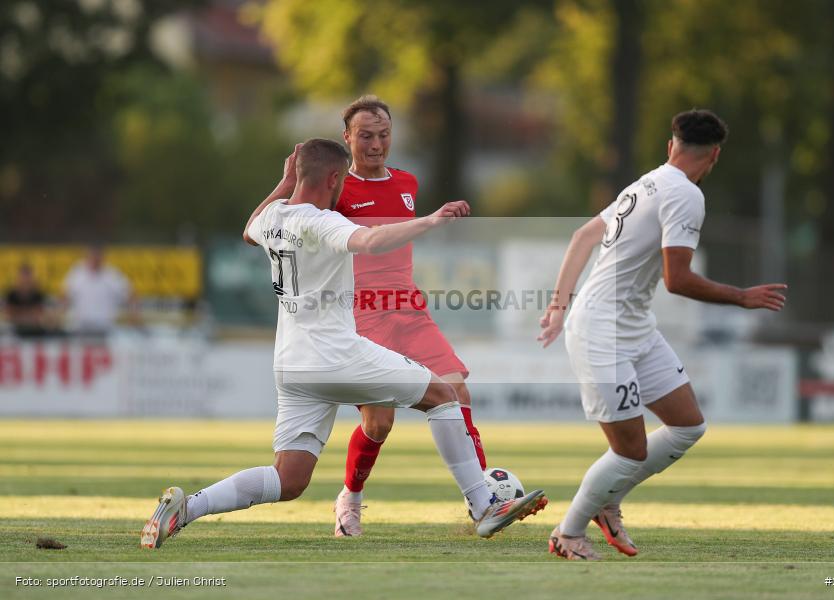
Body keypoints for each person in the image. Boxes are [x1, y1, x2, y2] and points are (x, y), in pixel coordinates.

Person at [140, 139, 546, 549]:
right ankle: (482, 505)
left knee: (289, 478)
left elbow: (249, 229)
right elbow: (370, 242)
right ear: (334, 179)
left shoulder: (274, 216)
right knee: (443, 394)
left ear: (296, 174)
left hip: (291, 365)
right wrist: (432, 221)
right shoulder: (321, 222)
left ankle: (186, 508)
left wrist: (284, 183)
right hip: (334, 354)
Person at [537, 110, 787, 561]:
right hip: (601, 331)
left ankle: (606, 499)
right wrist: (741, 296)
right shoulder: (687, 195)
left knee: (688, 426)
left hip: (634, 326)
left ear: (671, 146)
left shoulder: (645, 182)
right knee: (630, 451)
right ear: (714, 156)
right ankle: (568, 533)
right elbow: (678, 279)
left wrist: (557, 306)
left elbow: (581, 236)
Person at [264, 96, 511, 538]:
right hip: (361, 314)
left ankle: (485, 499)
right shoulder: (335, 190)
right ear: (348, 139)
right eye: (366, 136)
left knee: (457, 387)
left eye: (383, 135)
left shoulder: (407, 182)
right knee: (378, 424)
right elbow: (298, 220)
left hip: (409, 310)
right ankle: (350, 499)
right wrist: (287, 183)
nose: (376, 144)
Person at [62, 246, 137, 337]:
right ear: (88, 257)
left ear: (102, 258)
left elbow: (130, 294)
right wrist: (60, 315)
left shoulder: (112, 275)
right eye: (93, 257)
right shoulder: (77, 273)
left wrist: (133, 315)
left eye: (98, 258)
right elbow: (65, 295)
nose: (95, 260)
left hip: (105, 327)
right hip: (81, 326)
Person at [4, 263, 48, 337]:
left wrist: (19, 314)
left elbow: (39, 315)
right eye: (23, 276)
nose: (25, 280)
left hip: (35, 332)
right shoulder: (11, 294)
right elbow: (8, 315)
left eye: (27, 276)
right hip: (14, 331)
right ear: (18, 277)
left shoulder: (38, 294)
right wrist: (28, 315)